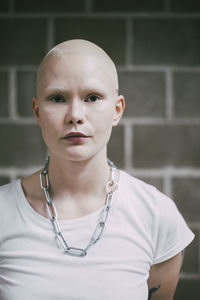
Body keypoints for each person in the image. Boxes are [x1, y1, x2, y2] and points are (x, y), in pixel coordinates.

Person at [0, 39, 194, 300]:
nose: (75, 115)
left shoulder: (157, 215)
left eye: (92, 97)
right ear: (37, 111)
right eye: (57, 98)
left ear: (117, 110)